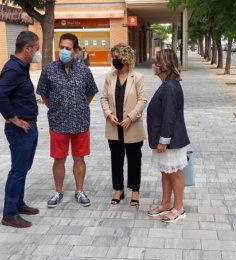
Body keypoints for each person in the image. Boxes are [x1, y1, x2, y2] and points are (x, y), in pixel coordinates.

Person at [37, 33, 98, 208]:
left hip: (80, 121)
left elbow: (91, 92)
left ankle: (80, 191)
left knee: (79, 158)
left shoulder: (84, 71)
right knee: (58, 159)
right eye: (61, 47)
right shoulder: (49, 70)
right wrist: (56, 107)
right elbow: (43, 94)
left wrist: (78, 106)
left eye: (68, 48)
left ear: (76, 51)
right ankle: (58, 191)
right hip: (58, 122)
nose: (63, 51)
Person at [0, 31, 41, 228]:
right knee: (18, 170)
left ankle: (19, 204)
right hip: (20, 129)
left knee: (23, 168)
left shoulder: (22, 67)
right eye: (37, 48)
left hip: (30, 126)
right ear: (27, 48)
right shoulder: (13, 69)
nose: (38, 52)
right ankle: (9, 214)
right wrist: (14, 119)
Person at [100, 43, 147, 206]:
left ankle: (135, 191)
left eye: (117, 57)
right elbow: (104, 98)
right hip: (114, 127)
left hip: (132, 126)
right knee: (116, 159)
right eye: (113, 57)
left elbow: (142, 100)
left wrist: (131, 117)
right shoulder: (109, 77)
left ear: (126, 58)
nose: (115, 60)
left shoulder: (138, 78)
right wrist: (109, 114)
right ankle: (118, 189)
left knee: (134, 160)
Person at [147, 49, 190, 223]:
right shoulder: (166, 84)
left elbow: (169, 116)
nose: (153, 65)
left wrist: (163, 141)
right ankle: (165, 203)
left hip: (171, 139)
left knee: (174, 173)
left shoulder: (171, 87)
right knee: (166, 171)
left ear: (163, 66)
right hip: (163, 139)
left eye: (156, 62)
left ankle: (178, 207)